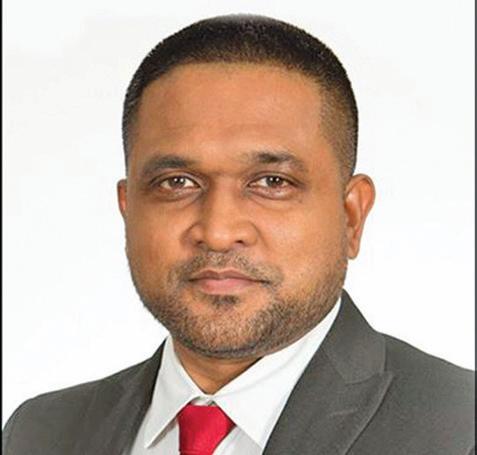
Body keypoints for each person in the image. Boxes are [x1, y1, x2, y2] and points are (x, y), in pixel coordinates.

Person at [2, 14, 474, 455]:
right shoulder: (37, 434)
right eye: (177, 183)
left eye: (272, 182)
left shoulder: (460, 431)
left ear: (351, 216)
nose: (218, 231)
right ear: (128, 210)